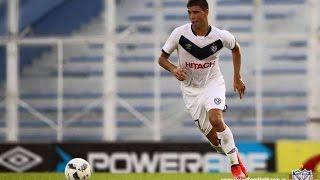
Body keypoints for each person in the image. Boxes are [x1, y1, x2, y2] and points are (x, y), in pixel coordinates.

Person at [158, 0, 247, 178]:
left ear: (206, 12)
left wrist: (237, 77)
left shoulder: (221, 36)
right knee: (215, 140)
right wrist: (174, 69)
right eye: (189, 13)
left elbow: (236, 49)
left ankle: (235, 168)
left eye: (196, 12)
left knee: (216, 118)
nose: (192, 17)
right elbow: (162, 59)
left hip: (212, 84)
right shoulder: (179, 34)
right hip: (191, 91)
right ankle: (235, 156)